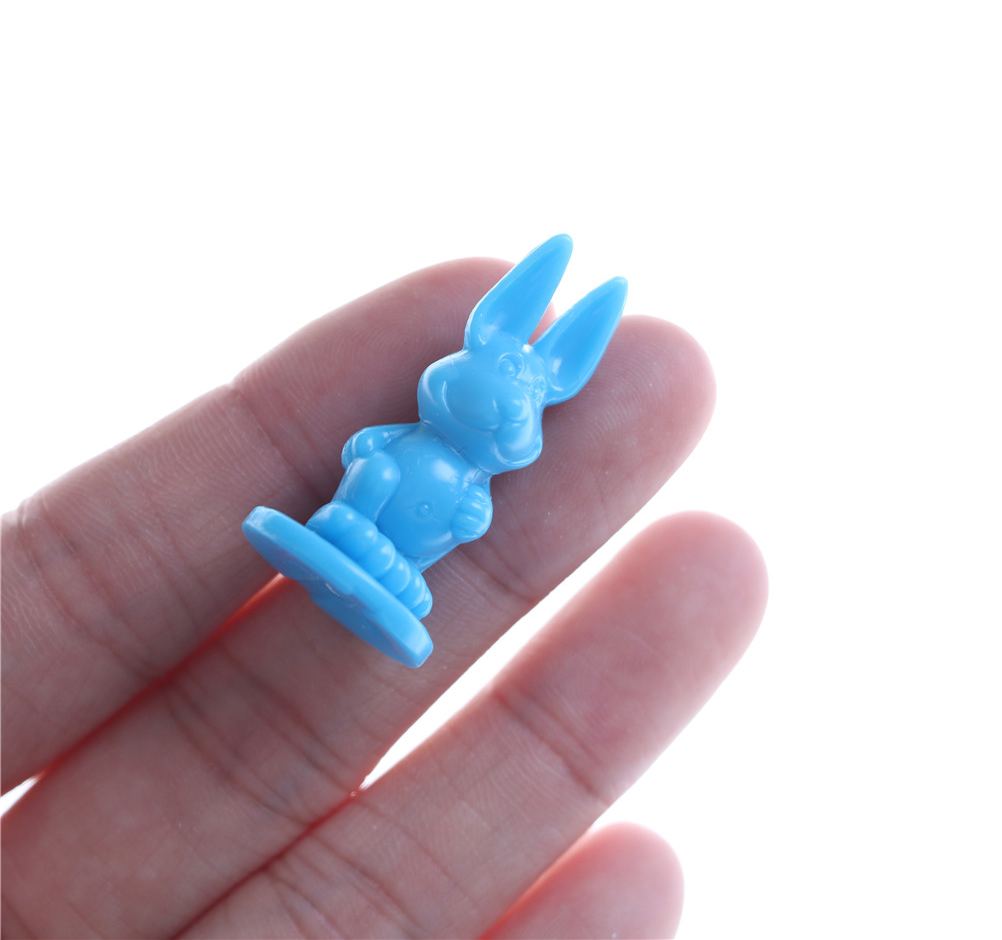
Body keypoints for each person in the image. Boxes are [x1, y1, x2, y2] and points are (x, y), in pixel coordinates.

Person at [0, 253, 767, 939]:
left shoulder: (474, 479)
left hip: (399, 563)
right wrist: (371, 476)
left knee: (410, 548)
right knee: (373, 482)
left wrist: (466, 511)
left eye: (524, 403)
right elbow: (363, 449)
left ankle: (383, 563)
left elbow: (468, 520)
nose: (503, 405)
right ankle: (349, 533)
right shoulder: (406, 440)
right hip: (352, 522)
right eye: (496, 379)